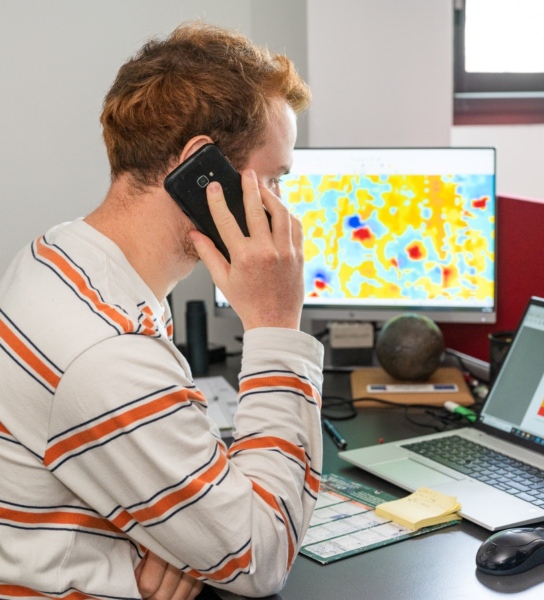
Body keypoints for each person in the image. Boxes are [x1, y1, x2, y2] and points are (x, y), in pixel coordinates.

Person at [0, 21, 323, 600]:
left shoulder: (56, 255)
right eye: (273, 180)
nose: (281, 209)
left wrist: (176, 537)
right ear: (206, 173)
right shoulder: (108, 353)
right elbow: (262, 557)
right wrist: (276, 327)